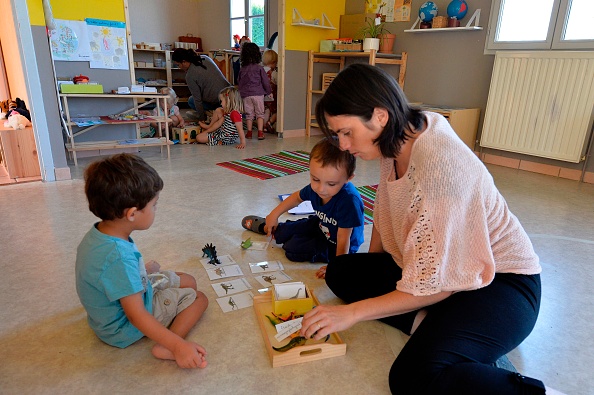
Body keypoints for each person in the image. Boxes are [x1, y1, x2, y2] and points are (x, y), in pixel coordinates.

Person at [299, 63, 546, 394]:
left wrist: (354, 313)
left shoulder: (441, 169)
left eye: (346, 132)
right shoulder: (399, 135)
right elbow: (386, 214)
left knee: (412, 377)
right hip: (448, 280)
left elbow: (438, 285)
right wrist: (368, 273)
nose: (343, 145)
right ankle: (435, 327)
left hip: (502, 285)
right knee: (341, 271)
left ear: (380, 116)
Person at [75, 153, 209, 369]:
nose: (156, 210)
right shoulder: (118, 257)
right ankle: (168, 345)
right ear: (132, 214)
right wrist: (178, 346)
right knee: (198, 297)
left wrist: (141, 272)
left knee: (189, 280)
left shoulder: (101, 234)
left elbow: (108, 275)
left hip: (115, 307)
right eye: (154, 205)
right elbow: (136, 315)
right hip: (122, 328)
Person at [241, 138, 365, 277]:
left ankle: (294, 237)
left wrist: (336, 266)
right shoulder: (316, 188)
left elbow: (344, 239)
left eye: (331, 184)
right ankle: (267, 226)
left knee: (292, 250)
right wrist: (274, 215)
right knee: (281, 232)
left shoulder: (349, 201)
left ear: (348, 178)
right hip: (320, 225)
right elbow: (297, 197)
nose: (321, 189)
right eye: (315, 179)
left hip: (337, 244)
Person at [171, 48, 230, 121]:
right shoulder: (205, 58)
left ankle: (210, 114)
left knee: (191, 100)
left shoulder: (190, 75)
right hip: (230, 95)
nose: (179, 67)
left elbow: (197, 99)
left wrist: (202, 119)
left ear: (184, 62)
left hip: (217, 101)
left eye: (178, 64)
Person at [237, 42, 271, 141]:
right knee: (260, 113)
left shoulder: (242, 69)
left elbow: (239, 82)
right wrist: (268, 92)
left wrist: (241, 92)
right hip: (258, 94)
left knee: (249, 114)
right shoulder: (259, 68)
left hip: (246, 95)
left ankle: (249, 132)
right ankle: (260, 133)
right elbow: (265, 82)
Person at [262, 49, 278, 134]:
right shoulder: (273, 73)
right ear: (273, 62)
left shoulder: (260, 70)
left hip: (262, 95)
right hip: (272, 96)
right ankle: (270, 122)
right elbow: (277, 82)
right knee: (277, 111)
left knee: (266, 111)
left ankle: (263, 127)